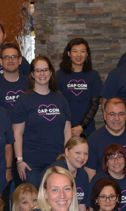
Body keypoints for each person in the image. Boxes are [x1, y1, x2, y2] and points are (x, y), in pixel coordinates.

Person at [15, 56, 73, 188]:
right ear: (32, 74)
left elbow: (67, 130)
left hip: (57, 161)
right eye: (38, 70)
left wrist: (67, 158)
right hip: (31, 164)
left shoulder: (61, 99)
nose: (42, 74)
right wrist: (19, 161)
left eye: (45, 70)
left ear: (51, 73)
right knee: (34, 203)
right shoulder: (24, 100)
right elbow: (17, 133)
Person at [87, 98, 126, 171]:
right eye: (112, 114)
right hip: (104, 182)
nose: (117, 118)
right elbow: (90, 174)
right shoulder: (93, 139)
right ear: (104, 115)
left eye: (121, 114)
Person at [58, 38, 102, 136]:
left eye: (82, 51)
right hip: (64, 128)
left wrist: (81, 127)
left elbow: (94, 105)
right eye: (75, 51)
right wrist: (70, 126)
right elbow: (58, 104)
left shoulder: (93, 75)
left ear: (87, 54)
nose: (79, 55)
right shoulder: (60, 75)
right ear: (69, 54)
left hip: (87, 130)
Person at [52, 137, 95, 211]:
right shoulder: (56, 173)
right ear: (67, 152)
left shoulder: (83, 175)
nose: (82, 157)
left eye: (85, 153)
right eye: (78, 153)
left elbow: (82, 208)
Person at [0, 43, 27, 110]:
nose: (10, 60)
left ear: (20, 60)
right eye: (6, 57)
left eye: (14, 57)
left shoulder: (29, 84)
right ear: (1, 61)